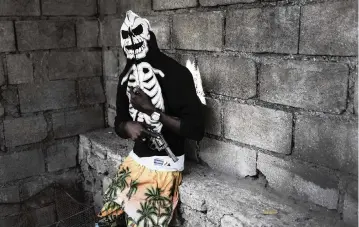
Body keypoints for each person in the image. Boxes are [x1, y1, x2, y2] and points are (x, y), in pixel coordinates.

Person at [96, 10, 205, 227]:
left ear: (149, 37)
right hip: (134, 162)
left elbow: (196, 130)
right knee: (105, 221)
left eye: (137, 34)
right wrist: (127, 127)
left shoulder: (177, 74)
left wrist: (152, 110)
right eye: (127, 37)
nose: (133, 42)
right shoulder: (126, 77)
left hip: (164, 167)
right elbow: (118, 122)